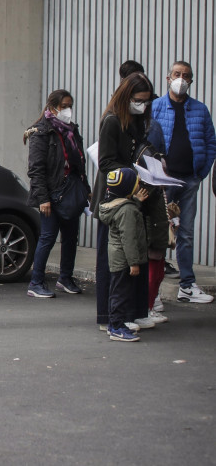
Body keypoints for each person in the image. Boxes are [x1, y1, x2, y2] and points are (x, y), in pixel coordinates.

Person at [92, 72, 159, 331]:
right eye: (139, 100)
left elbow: (141, 145)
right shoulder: (111, 121)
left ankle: (136, 310)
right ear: (126, 96)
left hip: (133, 194)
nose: (143, 105)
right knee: (115, 261)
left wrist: (153, 159)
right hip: (116, 196)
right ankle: (110, 317)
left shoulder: (136, 119)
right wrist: (135, 171)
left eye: (146, 101)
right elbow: (106, 162)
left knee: (136, 253)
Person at [150, 60, 216, 305]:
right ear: (168, 78)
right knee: (158, 233)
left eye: (186, 75)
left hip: (189, 179)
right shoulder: (156, 107)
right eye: (177, 74)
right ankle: (152, 292)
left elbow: (211, 142)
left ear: (191, 81)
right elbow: (146, 141)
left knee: (185, 234)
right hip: (162, 182)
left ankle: (187, 286)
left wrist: (202, 172)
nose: (181, 79)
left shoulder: (200, 109)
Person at [23, 89, 89, 299]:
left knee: (71, 237)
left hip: (71, 191)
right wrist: (43, 198)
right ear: (52, 107)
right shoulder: (40, 132)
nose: (68, 111)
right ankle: (36, 282)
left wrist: (85, 189)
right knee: (48, 238)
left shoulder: (71, 131)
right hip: (52, 194)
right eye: (64, 107)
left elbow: (79, 163)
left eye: (70, 106)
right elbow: (36, 169)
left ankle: (65, 278)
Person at [97, 168, 151, 342]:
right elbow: (129, 238)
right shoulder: (127, 210)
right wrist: (134, 263)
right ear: (127, 188)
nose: (138, 185)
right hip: (124, 260)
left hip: (118, 258)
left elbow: (125, 211)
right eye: (136, 183)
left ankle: (116, 323)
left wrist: (136, 202)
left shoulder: (117, 205)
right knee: (120, 293)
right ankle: (116, 327)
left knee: (118, 291)